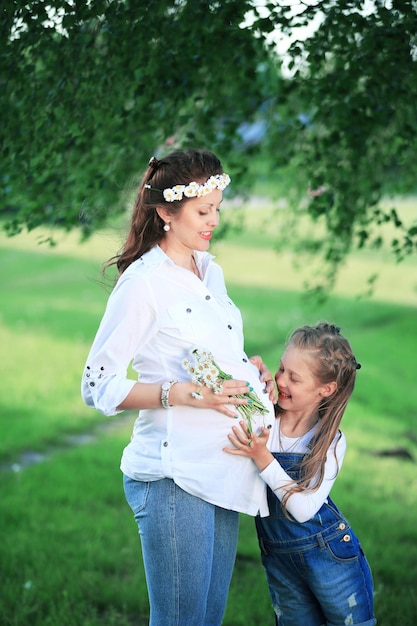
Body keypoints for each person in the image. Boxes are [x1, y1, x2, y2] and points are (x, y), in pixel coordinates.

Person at [81, 149, 277, 626]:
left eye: (217, 209)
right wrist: (182, 394)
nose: (213, 221)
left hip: (224, 471)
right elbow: (97, 384)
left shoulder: (210, 271)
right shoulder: (144, 284)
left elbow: (211, 352)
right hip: (176, 478)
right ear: (166, 213)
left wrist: (251, 373)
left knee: (206, 619)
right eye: (202, 211)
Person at [225, 322, 376, 626]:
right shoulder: (267, 417)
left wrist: (263, 457)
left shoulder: (330, 441)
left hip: (330, 557)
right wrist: (249, 373)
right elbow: (227, 392)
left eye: (294, 377)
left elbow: (303, 509)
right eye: (281, 369)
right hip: (279, 558)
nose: (281, 380)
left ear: (326, 389)